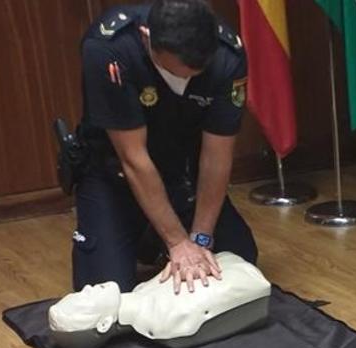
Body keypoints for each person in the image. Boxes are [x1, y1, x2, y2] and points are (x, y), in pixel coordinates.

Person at [72, 0, 258, 295]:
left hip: (182, 171)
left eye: (195, 75)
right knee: (105, 291)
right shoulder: (109, 49)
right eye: (177, 72)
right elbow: (133, 159)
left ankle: (155, 235)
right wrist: (176, 242)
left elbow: (216, 157)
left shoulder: (227, 54)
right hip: (115, 174)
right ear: (147, 36)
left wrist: (199, 240)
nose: (185, 81)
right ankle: (149, 237)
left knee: (239, 261)